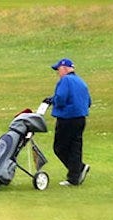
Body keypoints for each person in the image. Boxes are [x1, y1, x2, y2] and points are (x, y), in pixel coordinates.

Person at [45, 58, 91, 186]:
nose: (58, 73)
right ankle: (74, 178)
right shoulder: (81, 81)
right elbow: (88, 102)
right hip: (80, 119)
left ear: (64, 68)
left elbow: (60, 98)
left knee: (60, 148)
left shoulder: (65, 80)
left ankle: (78, 169)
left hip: (67, 119)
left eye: (58, 70)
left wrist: (53, 101)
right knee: (75, 147)